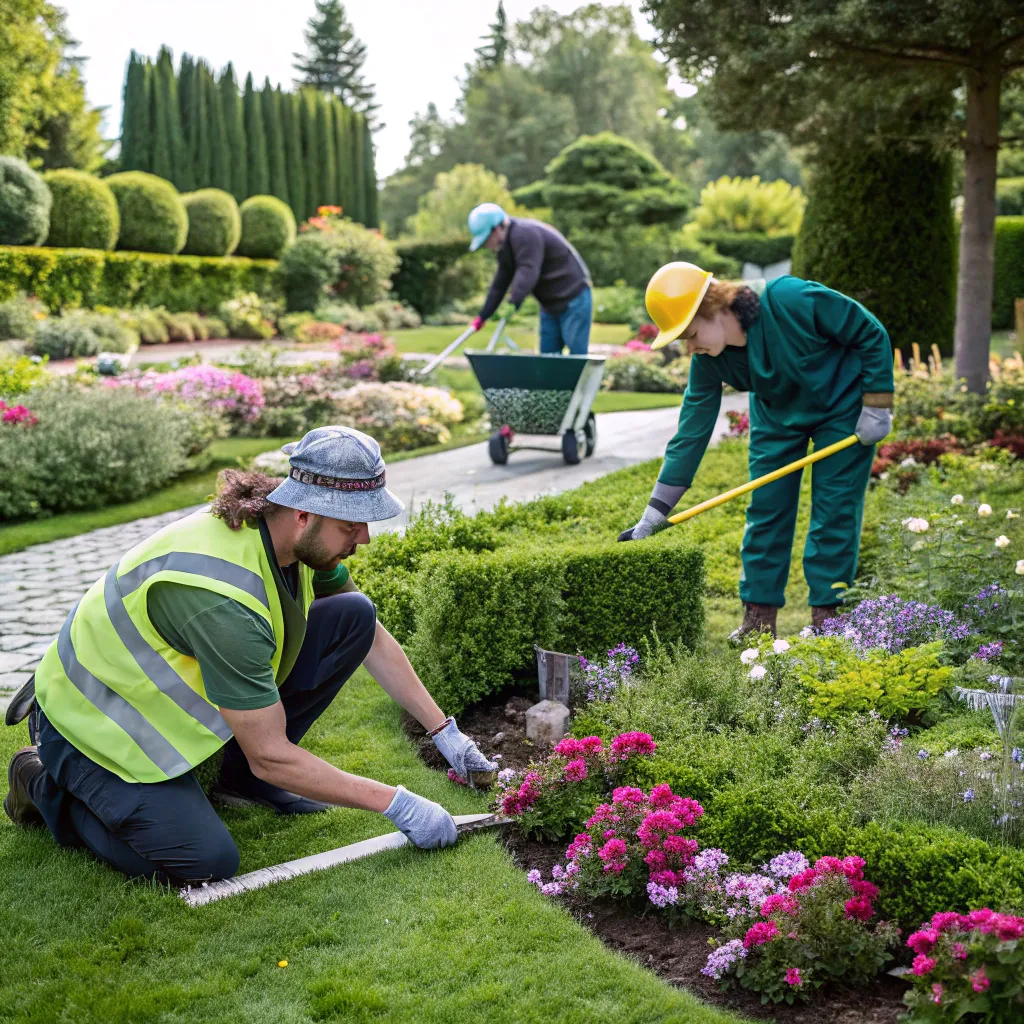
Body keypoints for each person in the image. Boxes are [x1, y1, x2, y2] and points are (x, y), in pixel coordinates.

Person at [3, 426, 496, 884]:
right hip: (92, 725)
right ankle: (41, 782)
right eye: (352, 525)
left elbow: (372, 639)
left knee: (354, 614)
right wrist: (398, 804)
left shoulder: (291, 537)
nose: (364, 537)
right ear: (305, 514)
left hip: (140, 702)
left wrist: (445, 733)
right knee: (202, 860)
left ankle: (237, 779)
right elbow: (270, 755)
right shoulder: (223, 602)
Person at [618, 263, 894, 639]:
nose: (690, 348)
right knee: (766, 509)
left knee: (835, 510)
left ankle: (829, 619)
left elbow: (869, 330)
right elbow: (690, 433)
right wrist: (654, 514)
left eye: (691, 334)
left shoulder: (792, 299)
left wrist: (878, 403)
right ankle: (758, 619)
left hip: (843, 410)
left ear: (715, 306)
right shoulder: (709, 360)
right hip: (776, 416)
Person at [467, 202, 593, 355]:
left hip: (574, 298)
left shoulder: (524, 234)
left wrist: (513, 302)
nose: (486, 245)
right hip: (549, 305)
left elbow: (528, 271)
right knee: (547, 360)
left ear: (497, 229)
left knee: (577, 358)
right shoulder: (505, 248)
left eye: (486, 239)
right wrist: (483, 316)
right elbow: (499, 284)